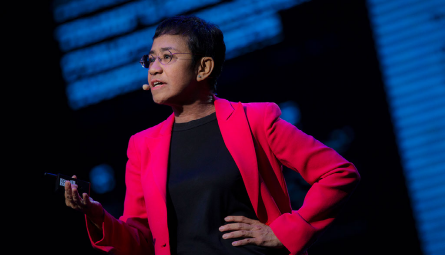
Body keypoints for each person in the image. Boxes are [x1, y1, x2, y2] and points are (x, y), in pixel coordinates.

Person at [64, 16, 360, 255]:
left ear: (203, 67)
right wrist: (97, 215)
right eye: (150, 59)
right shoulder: (143, 146)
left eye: (167, 57)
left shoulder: (255, 120)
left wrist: (284, 232)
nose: (154, 69)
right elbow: (142, 241)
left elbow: (338, 173)